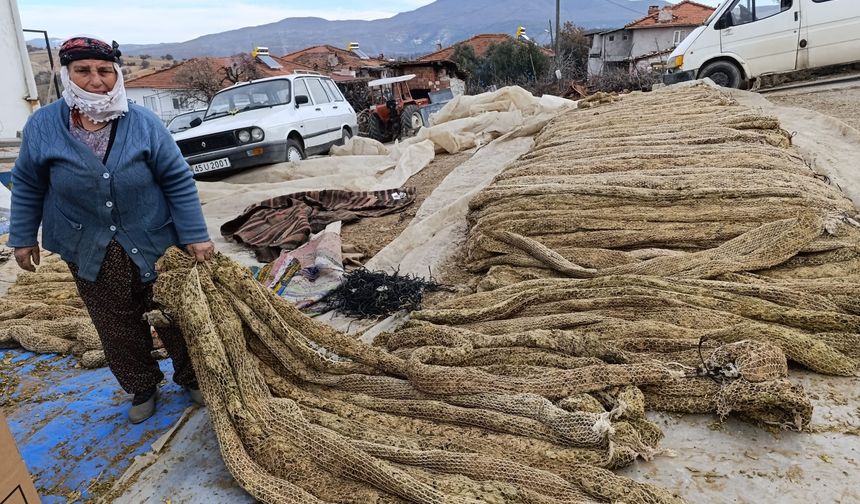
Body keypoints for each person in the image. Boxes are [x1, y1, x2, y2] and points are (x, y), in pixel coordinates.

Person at [9, 36, 215, 424]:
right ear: (66, 75)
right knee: (114, 321)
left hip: (154, 238)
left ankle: (192, 378)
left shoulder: (143, 122)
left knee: (174, 313)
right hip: (85, 243)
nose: (95, 80)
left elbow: (177, 179)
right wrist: (21, 237)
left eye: (105, 71)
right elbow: (29, 183)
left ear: (117, 73)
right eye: (82, 70)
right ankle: (142, 387)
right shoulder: (42, 125)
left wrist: (195, 234)